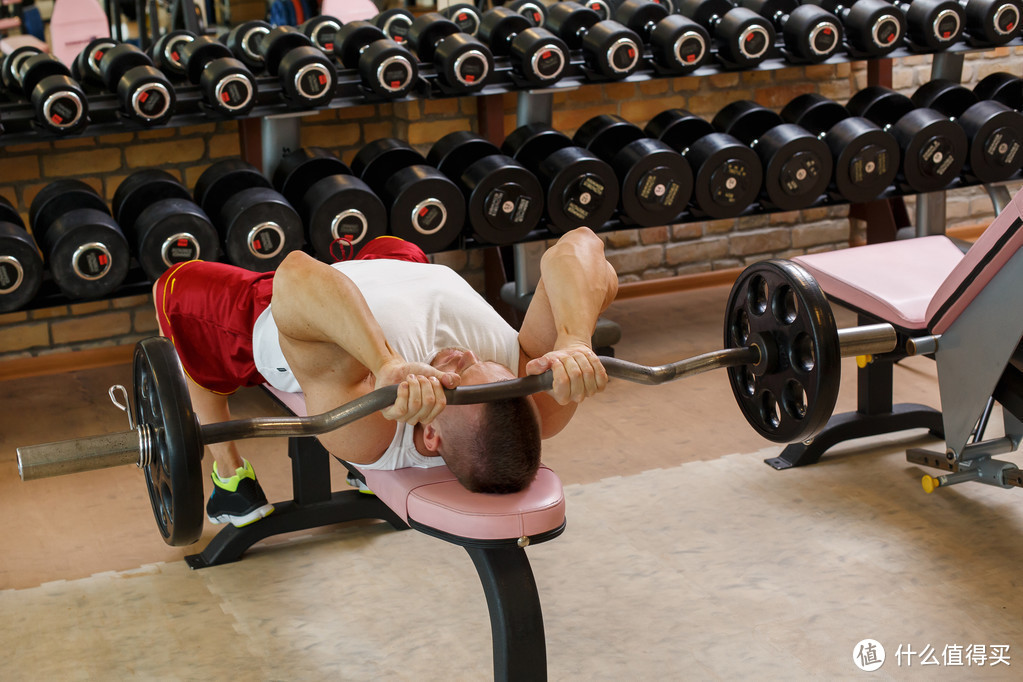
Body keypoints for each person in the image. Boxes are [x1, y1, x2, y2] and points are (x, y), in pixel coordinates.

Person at [153, 228, 618, 527]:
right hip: (403, 268)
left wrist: (385, 364)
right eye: (486, 364)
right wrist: (576, 339)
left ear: (430, 434)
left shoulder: (367, 433)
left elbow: (296, 273)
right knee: (395, 240)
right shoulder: (538, 398)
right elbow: (580, 246)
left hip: (297, 310)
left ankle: (232, 479)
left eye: (458, 375)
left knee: (175, 290)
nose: (462, 355)